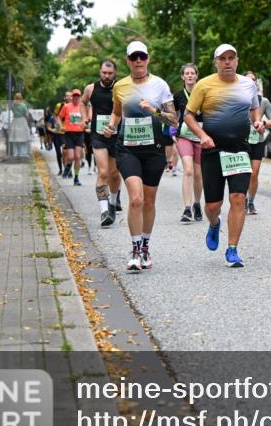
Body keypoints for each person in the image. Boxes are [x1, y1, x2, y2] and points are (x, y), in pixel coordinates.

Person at [183, 44, 262, 268]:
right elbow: (188, 115)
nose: (227, 62)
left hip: (239, 149)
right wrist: (201, 135)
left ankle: (232, 249)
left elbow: (254, 107)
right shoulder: (204, 84)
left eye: (231, 58)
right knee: (212, 207)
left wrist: (257, 121)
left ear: (237, 61)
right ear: (216, 62)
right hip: (212, 150)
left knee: (238, 198)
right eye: (222, 59)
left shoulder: (248, 84)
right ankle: (215, 223)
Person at [102, 41, 176, 272]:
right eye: (133, 58)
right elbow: (116, 113)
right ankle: (134, 250)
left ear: (148, 59)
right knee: (136, 199)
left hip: (154, 149)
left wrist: (153, 111)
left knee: (149, 201)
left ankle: (145, 246)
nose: (138, 62)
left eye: (142, 57)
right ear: (127, 61)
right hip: (127, 149)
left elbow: (173, 120)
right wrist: (111, 126)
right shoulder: (120, 86)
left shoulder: (160, 85)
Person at [82, 59, 123, 227]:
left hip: (116, 135)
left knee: (114, 174)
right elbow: (83, 103)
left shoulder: (120, 89)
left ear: (115, 73)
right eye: (104, 73)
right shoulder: (91, 89)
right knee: (104, 172)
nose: (107, 76)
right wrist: (85, 117)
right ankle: (104, 211)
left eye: (110, 73)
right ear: (100, 72)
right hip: (98, 135)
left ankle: (113, 202)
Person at [172, 63, 204, 223]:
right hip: (184, 136)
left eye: (192, 73)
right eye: (187, 73)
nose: (190, 75)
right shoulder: (178, 96)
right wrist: (171, 129)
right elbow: (171, 115)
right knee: (189, 170)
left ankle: (197, 204)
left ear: (196, 76)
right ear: (183, 76)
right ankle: (186, 208)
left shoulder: (204, 93)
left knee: (198, 174)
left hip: (200, 137)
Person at [244, 71, 271, 215]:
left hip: (257, 140)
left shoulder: (263, 101)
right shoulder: (238, 98)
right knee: (243, 172)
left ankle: (250, 201)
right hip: (242, 140)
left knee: (254, 173)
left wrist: (263, 122)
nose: (252, 82)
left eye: (254, 80)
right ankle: (241, 199)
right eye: (248, 80)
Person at [58, 90, 86, 183]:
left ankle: (76, 178)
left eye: (78, 96)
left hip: (79, 134)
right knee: (70, 157)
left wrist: (85, 123)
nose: (76, 97)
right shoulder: (66, 106)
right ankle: (68, 167)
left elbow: (86, 118)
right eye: (74, 96)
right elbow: (59, 117)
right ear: (72, 97)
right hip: (69, 134)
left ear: (80, 97)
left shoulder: (82, 107)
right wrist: (61, 126)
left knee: (77, 156)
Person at [8, 93, 32, 158]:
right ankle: (23, 153)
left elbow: (11, 110)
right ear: (21, 97)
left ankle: (15, 153)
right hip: (22, 121)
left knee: (15, 137)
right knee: (23, 138)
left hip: (15, 121)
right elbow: (26, 114)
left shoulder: (12, 105)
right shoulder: (23, 105)